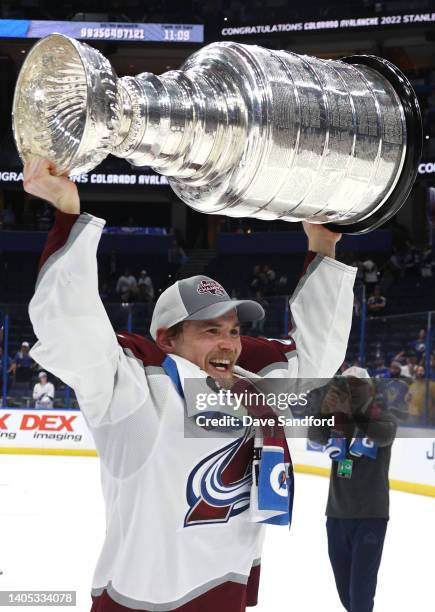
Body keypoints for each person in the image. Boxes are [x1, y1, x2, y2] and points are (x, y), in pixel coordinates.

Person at [23, 157, 356, 612]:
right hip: (140, 601)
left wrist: (322, 242)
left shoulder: (251, 388)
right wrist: (66, 212)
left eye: (234, 330)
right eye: (210, 330)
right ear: (167, 338)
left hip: (226, 593)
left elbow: (317, 352)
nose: (230, 344)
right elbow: (72, 329)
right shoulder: (137, 391)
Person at [308, 367, 397, 612]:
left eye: (356, 386)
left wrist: (354, 412)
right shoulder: (336, 419)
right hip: (337, 515)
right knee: (345, 592)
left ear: (369, 389)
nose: (351, 391)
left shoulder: (383, 417)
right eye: (347, 386)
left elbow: (382, 435)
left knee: (360, 594)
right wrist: (323, 411)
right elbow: (315, 436)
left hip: (371, 517)